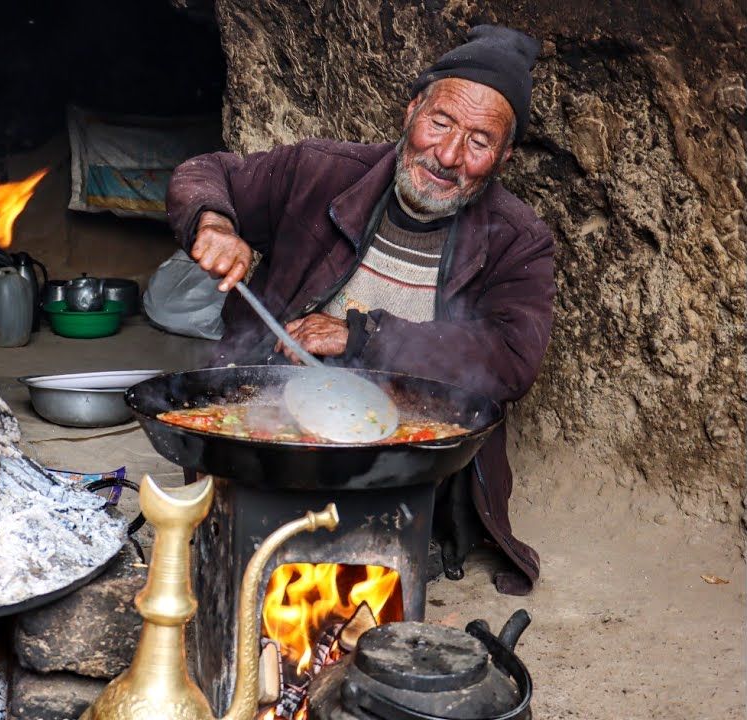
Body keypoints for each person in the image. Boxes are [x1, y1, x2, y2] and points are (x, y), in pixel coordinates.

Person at [165, 26, 552, 595]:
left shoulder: (518, 239)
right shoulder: (319, 172)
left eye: (478, 141)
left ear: (504, 157)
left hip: (406, 460)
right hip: (279, 432)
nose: (448, 156)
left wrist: (362, 336)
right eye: (440, 123)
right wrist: (216, 224)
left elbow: (512, 361)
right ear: (411, 110)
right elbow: (204, 174)